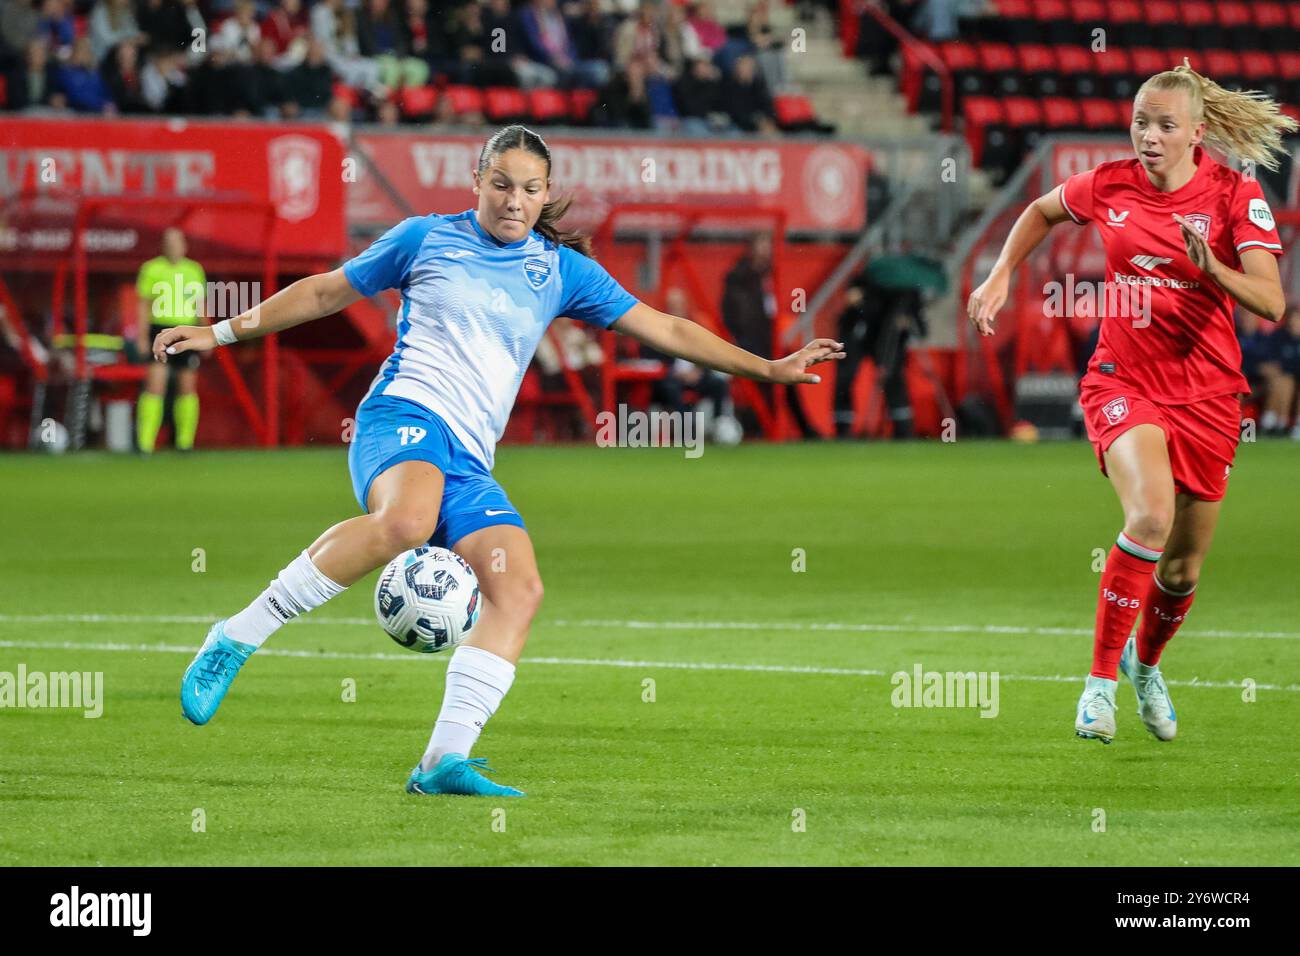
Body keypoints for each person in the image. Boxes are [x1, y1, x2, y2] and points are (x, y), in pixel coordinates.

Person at [152, 125, 843, 797]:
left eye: (530, 189)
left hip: (468, 461)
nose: (514, 200)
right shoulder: (426, 238)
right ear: (476, 182)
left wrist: (768, 369)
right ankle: (236, 637)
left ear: (546, 197)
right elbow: (328, 291)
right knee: (408, 523)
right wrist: (218, 331)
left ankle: (442, 761)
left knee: (519, 590)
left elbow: (662, 327)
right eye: (502, 184)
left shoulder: (560, 270)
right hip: (403, 420)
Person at [968, 61, 1292, 745]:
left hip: (1207, 394)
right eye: (1141, 121)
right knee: (1148, 517)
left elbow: (1271, 301)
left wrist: (1214, 269)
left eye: (1165, 125)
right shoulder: (1109, 184)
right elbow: (1040, 210)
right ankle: (1097, 686)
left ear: (1196, 133)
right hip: (1123, 379)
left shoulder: (1235, 195)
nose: (1148, 135)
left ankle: (1146, 667)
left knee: (1181, 570)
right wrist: (1000, 276)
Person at [136, 227, 205, 453]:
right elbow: (143, 305)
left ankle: (185, 443)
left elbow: (200, 305)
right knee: (155, 385)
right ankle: (145, 444)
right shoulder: (151, 268)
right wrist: (142, 336)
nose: (173, 246)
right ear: (163, 245)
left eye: (177, 242)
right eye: (169, 242)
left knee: (187, 387)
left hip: (187, 331)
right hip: (161, 329)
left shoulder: (194, 270)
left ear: (184, 245)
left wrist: (207, 333)